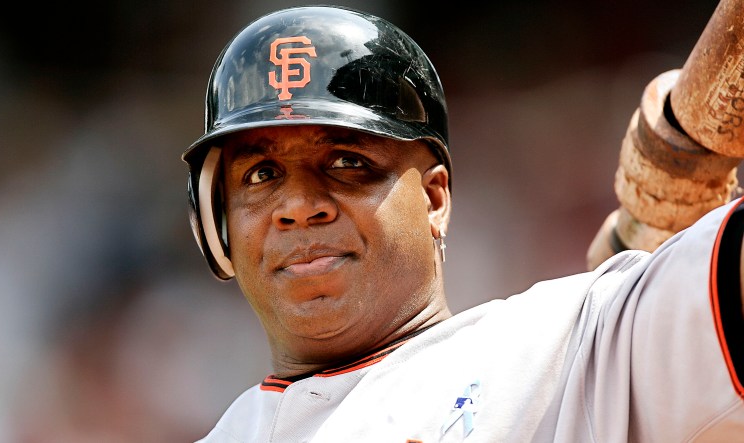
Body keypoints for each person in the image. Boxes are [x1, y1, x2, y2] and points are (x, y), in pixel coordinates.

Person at [181, 5, 744, 442]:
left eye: (348, 163)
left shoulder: (569, 349)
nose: (299, 205)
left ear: (434, 198)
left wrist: (682, 140)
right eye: (261, 174)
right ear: (219, 220)